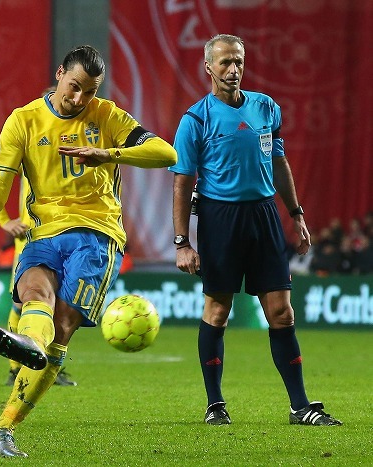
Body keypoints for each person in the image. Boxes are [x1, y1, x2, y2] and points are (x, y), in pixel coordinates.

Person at [0, 45, 177, 457]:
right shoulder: (23, 120)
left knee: (63, 327)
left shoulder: (106, 117)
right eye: (74, 88)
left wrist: (106, 152)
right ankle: (29, 348)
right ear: (59, 74)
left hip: (96, 233)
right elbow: (0, 182)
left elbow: (165, 153)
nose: (79, 99)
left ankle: (3, 430)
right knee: (35, 295)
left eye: (89, 92)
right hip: (43, 232)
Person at [169, 34, 341, 426]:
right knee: (218, 309)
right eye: (226, 62)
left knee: (281, 312)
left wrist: (295, 213)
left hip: (263, 216)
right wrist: (182, 242)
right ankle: (215, 404)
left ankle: (300, 407)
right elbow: (182, 182)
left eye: (239, 62)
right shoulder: (195, 119)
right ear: (208, 67)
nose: (234, 70)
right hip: (220, 219)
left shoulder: (266, 108)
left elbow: (279, 164)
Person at [0, 169, 77, 387]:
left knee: (57, 305)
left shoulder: (72, 142)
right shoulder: (30, 138)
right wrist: (4, 220)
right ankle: (15, 368)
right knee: (23, 303)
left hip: (65, 236)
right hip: (33, 238)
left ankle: (47, 367)